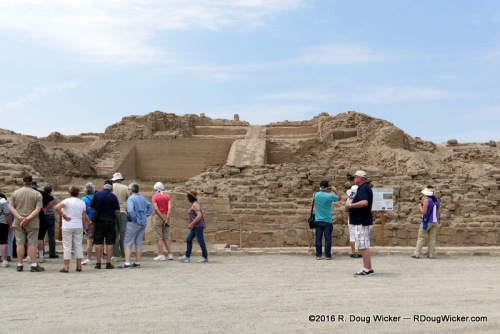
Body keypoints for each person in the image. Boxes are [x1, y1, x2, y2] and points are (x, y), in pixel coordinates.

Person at [9, 174, 45, 272]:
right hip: (32, 222)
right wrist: (28, 218)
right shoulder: (37, 194)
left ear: (22, 182)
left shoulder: (15, 193)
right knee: (32, 243)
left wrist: (21, 218)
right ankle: (33, 264)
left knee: (20, 243)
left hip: (18, 221)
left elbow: (11, 207)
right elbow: (38, 209)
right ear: (32, 182)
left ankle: (20, 264)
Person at [118, 182, 153, 269]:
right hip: (142, 222)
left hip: (133, 223)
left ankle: (127, 263)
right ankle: (137, 262)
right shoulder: (142, 198)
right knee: (138, 242)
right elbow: (150, 207)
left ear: (131, 190)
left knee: (127, 242)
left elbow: (130, 210)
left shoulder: (131, 199)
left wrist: (135, 218)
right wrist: (145, 215)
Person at [345, 170, 374, 276]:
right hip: (363, 221)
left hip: (361, 222)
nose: (354, 179)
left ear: (360, 178)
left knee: (363, 246)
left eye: (355, 177)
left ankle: (366, 269)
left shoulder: (363, 188)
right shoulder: (365, 188)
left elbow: (364, 202)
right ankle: (369, 268)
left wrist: (351, 205)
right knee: (364, 245)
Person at [55, 186, 87, 272]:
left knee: (67, 246)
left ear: (69, 193)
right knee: (78, 245)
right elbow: (83, 216)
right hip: (78, 225)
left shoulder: (66, 201)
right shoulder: (82, 203)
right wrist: (84, 226)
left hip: (67, 225)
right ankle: (79, 265)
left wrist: (63, 215)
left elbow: (57, 207)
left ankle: (66, 266)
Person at [89, 180, 120, 269]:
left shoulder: (97, 195)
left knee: (98, 242)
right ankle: (108, 263)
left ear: (103, 187)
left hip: (98, 220)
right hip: (109, 220)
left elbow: (91, 207)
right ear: (111, 188)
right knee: (110, 242)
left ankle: (98, 263)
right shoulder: (113, 196)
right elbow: (117, 210)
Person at [178, 189, 208, 263]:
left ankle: (205, 257)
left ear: (190, 197)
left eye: (187, 196)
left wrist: (192, 224)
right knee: (188, 239)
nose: (186, 197)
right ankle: (187, 256)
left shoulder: (195, 204)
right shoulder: (194, 204)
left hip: (197, 226)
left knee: (201, 241)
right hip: (195, 226)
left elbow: (199, 215)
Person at [313, 180, 341, 260]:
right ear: (327, 187)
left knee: (318, 238)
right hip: (327, 220)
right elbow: (339, 198)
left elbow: (319, 194)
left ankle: (318, 255)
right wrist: (335, 190)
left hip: (318, 220)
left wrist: (325, 190)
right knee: (328, 238)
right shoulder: (330, 196)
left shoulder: (315, 195)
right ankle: (327, 255)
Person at [412, 186, 441, 259]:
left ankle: (417, 253)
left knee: (421, 237)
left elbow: (423, 212)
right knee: (432, 238)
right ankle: (431, 254)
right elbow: (438, 211)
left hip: (427, 221)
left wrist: (420, 206)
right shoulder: (437, 200)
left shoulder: (426, 200)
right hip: (435, 221)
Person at [32, 181, 55, 263]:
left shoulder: (25, 193)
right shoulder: (42, 193)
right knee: (41, 237)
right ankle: (42, 255)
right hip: (42, 216)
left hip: (30, 216)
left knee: (29, 237)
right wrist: (45, 208)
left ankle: (28, 256)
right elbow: (53, 199)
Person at [152, 182, 173, 261]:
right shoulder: (167, 196)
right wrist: (167, 218)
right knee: (166, 236)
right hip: (166, 215)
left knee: (159, 237)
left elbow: (156, 209)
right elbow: (170, 208)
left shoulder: (154, 196)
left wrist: (162, 218)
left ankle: (161, 254)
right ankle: (170, 254)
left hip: (158, 217)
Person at [111, 172, 129, 261]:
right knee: (123, 234)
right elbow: (129, 200)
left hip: (112, 212)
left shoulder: (110, 188)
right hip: (122, 211)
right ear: (120, 180)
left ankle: (116, 255)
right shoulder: (125, 188)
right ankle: (124, 254)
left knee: (114, 233)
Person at [81, 182, 99, 265]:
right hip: (98, 221)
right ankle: (100, 258)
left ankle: (88, 258)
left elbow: (82, 212)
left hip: (89, 222)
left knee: (89, 241)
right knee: (99, 241)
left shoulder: (83, 199)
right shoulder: (98, 197)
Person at [42, 183, 58, 258]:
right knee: (51, 236)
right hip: (51, 216)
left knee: (41, 236)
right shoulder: (54, 198)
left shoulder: (41, 197)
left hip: (43, 216)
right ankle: (52, 253)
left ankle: (41, 252)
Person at [345, 185, 362, 258]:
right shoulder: (360, 198)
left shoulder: (349, 199)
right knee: (359, 236)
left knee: (352, 236)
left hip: (351, 218)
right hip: (359, 218)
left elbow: (346, 209)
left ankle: (353, 252)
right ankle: (359, 252)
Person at [0, 193, 12, 267]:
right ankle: (4, 261)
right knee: (4, 241)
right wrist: (10, 224)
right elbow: (7, 214)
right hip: (2, 222)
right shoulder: (3, 200)